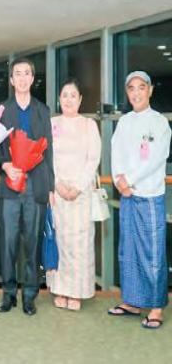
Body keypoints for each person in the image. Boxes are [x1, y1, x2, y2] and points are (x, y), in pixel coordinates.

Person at [107, 71, 171, 330]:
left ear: (150, 90)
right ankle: (132, 302)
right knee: (129, 251)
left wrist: (129, 180)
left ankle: (156, 308)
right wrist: (118, 180)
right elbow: (115, 153)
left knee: (153, 253)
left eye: (141, 87)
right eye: (131, 88)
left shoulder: (160, 123)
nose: (136, 92)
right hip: (127, 195)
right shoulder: (124, 122)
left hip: (149, 195)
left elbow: (156, 158)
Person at [0, 58, 54, 316]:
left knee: (32, 243)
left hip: (35, 185)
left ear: (32, 78)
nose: (21, 78)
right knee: (7, 243)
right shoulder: (2, 110)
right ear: (11, 80)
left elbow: (48, 151)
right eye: (17, 74)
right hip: (10, 185)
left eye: (26, 73)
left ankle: (30, 295)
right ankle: (8, 294)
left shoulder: (43, 110)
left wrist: (50, 188)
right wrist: (5, 165)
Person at [46, 79, 101, 311]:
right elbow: (47, 158)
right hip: (58, 192)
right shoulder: (51, 124)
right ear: (59, 99)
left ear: (80, 100)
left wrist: (78, 186)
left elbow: (93, 159)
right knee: (59, 240)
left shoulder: (89, 125)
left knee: (80, 243)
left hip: (81, 193)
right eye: (64, 95)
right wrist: (57, 184)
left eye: (73, 95)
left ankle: (77, 292)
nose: (68, 99)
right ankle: (60, 289)